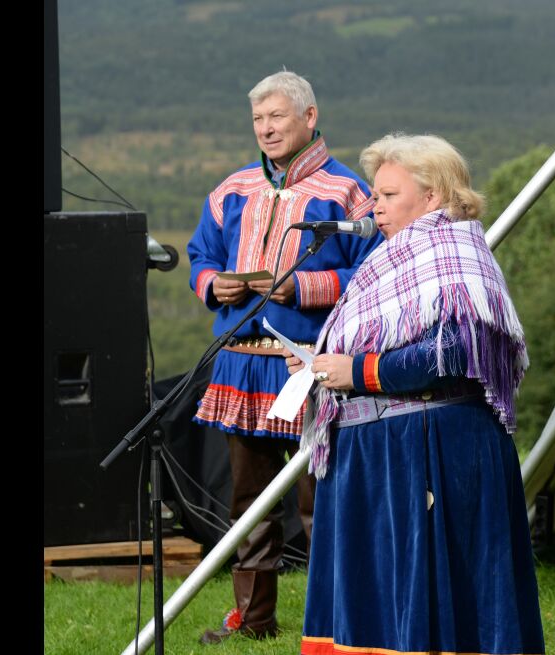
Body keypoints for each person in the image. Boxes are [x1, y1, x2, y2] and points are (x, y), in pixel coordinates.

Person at [287, 134, 545, 655]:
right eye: (374, 196)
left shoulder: (454, 252)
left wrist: (357, 369)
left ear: (432, 196)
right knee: (374, 602)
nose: (374, 207)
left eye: (387, 195)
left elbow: (451, 351)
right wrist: (319, 365)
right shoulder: (390, 260)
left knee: (431, 605)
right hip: (373, 452)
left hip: (427, 447)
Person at [186, 71, 382, 645]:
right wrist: (212, 283)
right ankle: (252, 620)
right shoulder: (231, 189)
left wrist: (302, 288)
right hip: (240, 363)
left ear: (309, 117)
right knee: (249, 501)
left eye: (276, 117)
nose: (266, 129)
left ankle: (336, 621)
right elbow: (202, 253)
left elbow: (373, 276)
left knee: (320, 500)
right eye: (258, 120)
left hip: (310, 366)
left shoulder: (350, 193)